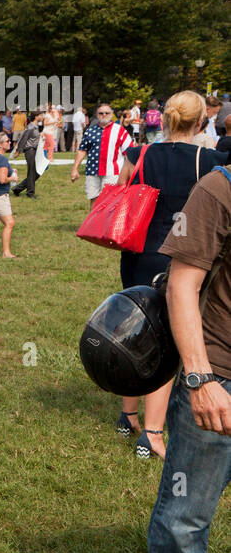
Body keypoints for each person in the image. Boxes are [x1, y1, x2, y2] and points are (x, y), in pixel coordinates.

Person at [132, 152, 231, 553]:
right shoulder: (219, 189)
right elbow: (182, 286)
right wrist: (200, 378)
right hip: (221, 373)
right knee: (188, 508)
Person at [113, 92, 229, 461]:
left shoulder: (139, 154)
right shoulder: (210, 160)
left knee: (134, 332)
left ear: (163, 120)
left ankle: (126, 415)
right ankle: (151, 434)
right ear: (200, 123)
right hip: (178, 257)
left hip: (137, 251)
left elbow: (120, 192)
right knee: (167, 344)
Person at [71, 104, 133, 203]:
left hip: (113, 173)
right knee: (93, 200)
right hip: (92, 171)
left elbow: (129, 153)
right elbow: (82, 150)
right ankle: (94, 219)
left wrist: (129, 173)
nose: (104, 115)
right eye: (101, 113)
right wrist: (75, 169)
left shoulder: (120, 131)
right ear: (97, 114)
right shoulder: (90, 131)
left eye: (107, 113)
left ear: (111, 114)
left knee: (109, 202)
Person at [11, 110, 44, 199]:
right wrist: (18, 151)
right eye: (41, 115)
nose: (42, 116)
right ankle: (30, 193)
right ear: (36, 117)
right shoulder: (30, 127)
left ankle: (17, 189)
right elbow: (23, 139)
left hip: (35, 151)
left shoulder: (36, 127)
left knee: (37, 173)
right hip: (30, 151)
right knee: (32, 173)